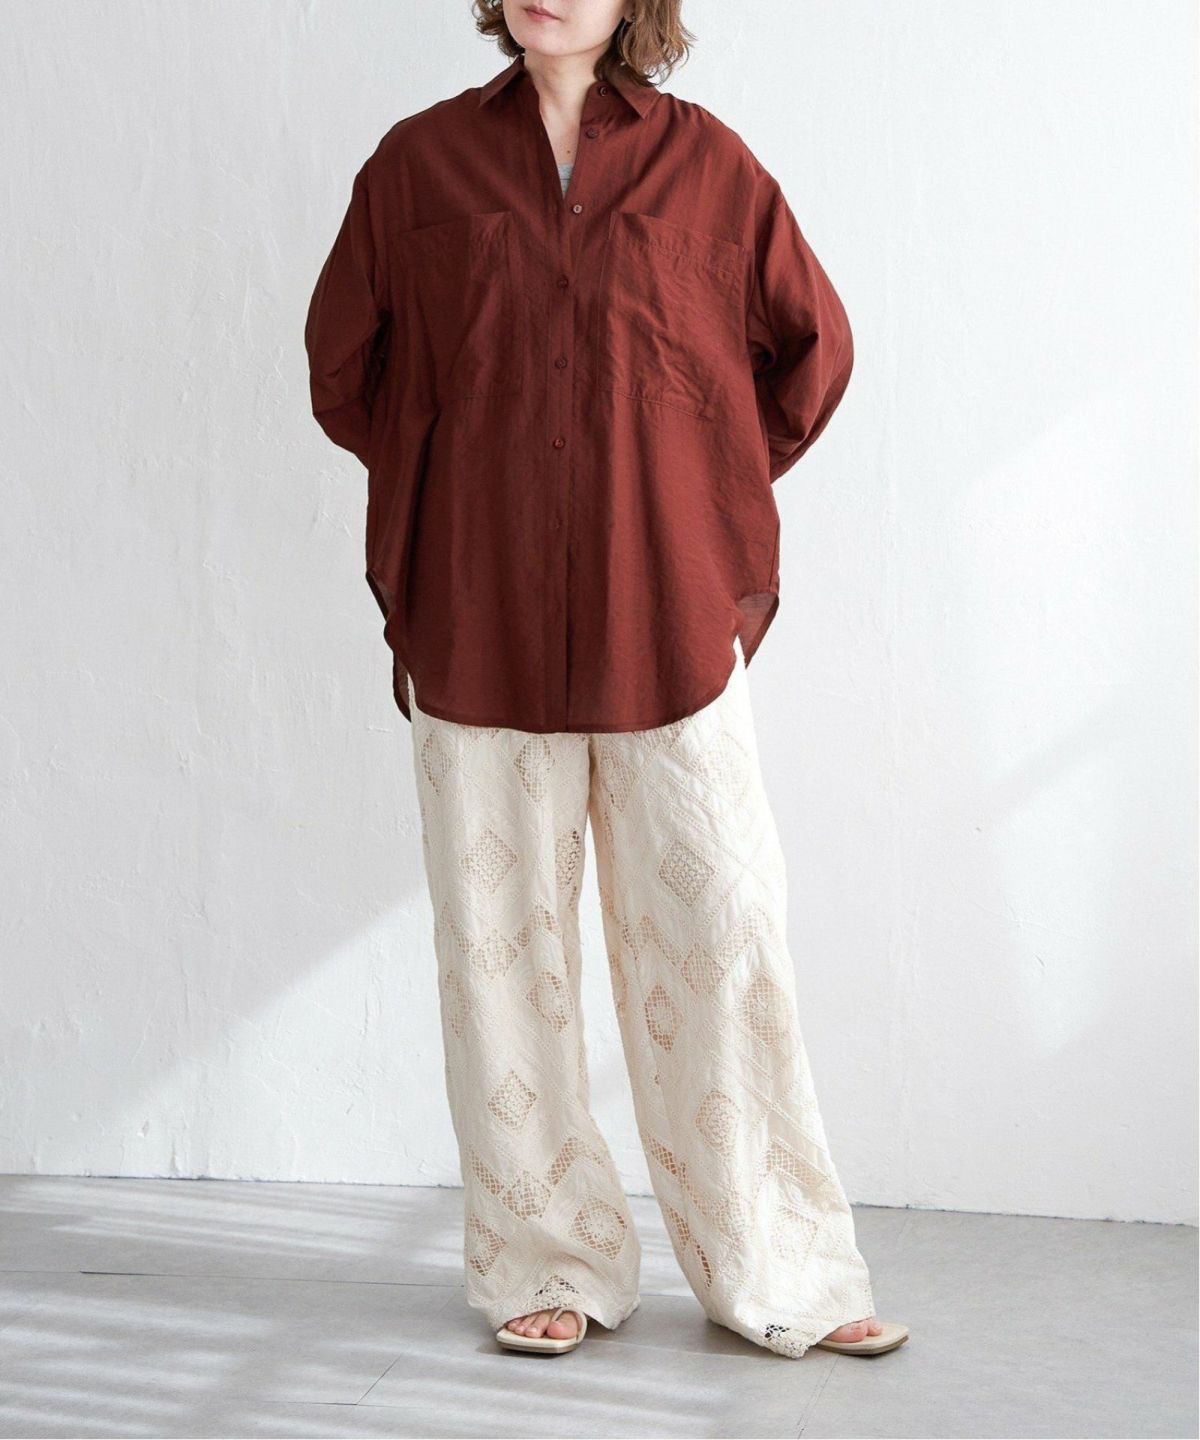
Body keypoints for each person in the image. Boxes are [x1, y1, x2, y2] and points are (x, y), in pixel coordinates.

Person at [304, 0, 908, 1360]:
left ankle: (782, 1271)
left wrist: (693, 483)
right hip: (481, 620)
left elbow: (811, 348)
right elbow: (344, 365)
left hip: (667, 624)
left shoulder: (712, 169)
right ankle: (548, 1261)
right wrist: (452, 480)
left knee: (723, 938)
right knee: (500, 955)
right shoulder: (416, 167)